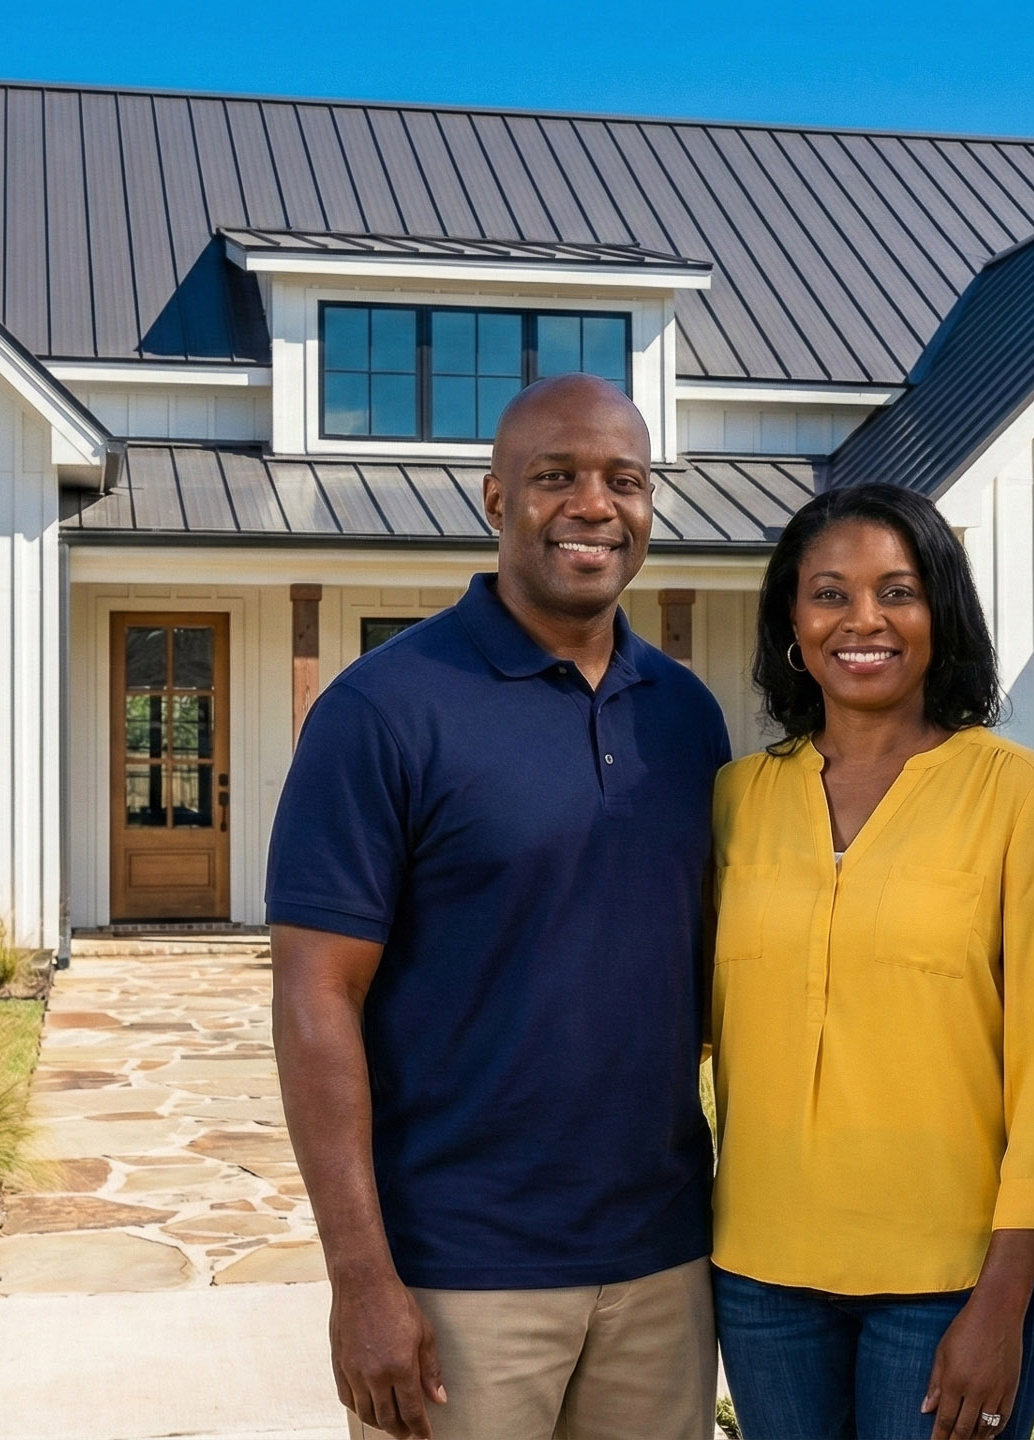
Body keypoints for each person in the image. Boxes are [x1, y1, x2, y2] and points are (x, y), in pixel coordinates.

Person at [267, 374, 725, 1440]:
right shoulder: (382, 710)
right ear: (494, 500)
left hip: (662, 1261)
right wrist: (361, 1280)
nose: (592, 505)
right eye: (554, 477)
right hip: (457, 1276)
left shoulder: (688, 719)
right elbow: (313, 1001)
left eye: (625, 479)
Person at [709, 483, 1034, 1440]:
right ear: (790, 624)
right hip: (761, 1277)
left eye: (898, 591)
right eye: (829, 593)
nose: (863, 621)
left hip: (951, 1281)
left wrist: (1004, 1298)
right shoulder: (735, 799)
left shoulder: (1021, 798)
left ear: (941, 615)